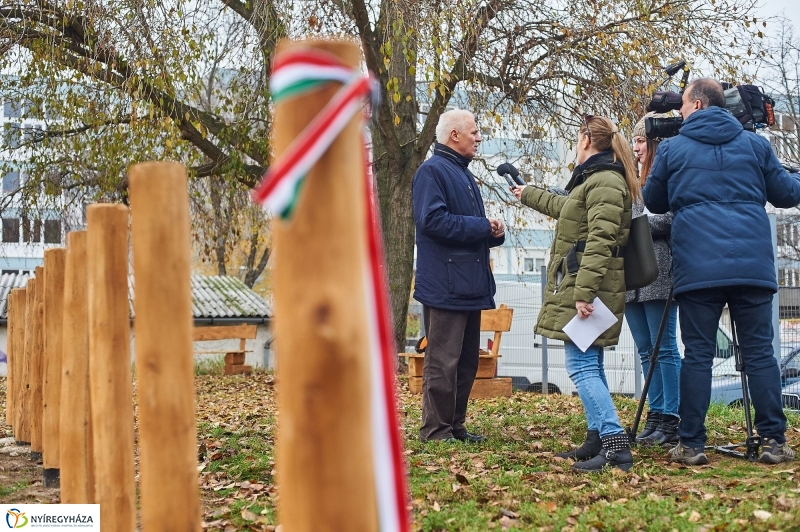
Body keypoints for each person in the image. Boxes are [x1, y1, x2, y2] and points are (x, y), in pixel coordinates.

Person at [643, 78, 800, 465]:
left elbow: (652, 199)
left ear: (696, 105)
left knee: (697, 354)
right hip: (752, 267)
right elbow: (785, 194)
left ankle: (692, 445)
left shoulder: (674, 148)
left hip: (698, 268)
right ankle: (773, 442)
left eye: (682, 105)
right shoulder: (755, 145)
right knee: (761, 354)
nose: (678, 112)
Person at [511, 115, 639, 471]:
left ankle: (615, 445)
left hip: (589, 285)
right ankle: (597, 438)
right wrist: (525, 194)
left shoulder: (605, 182)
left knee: (580, 366)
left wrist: (583, 293)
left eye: (576, 138)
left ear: (586, 140)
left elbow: (601, 240)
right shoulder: (595, 181)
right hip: (587, 282)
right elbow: (565, 208)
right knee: (589, 361)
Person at [412, 109, 505, 443]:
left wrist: (492, 232)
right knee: (443, 362)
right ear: (454, 135)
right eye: (474, 132)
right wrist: (482, 226)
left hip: (467, 285)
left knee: (465, 362)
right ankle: (435, 431)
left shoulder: (461, 173)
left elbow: (462, 226)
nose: (478, 138)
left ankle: (454, 426)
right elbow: (432, 221)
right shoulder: (432, 172)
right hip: (446, 285)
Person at [626, 112, 681, 446]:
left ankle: (671, 417)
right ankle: (656, 414)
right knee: (646, 349)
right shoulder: (631, 175)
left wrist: (636, 225)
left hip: (658, 270)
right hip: (631, 273)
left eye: (642, 140)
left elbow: (672, 218)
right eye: (634, 140)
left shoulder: (669, 173)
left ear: (656, 142)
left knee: (664, 348)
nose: (636, 147)